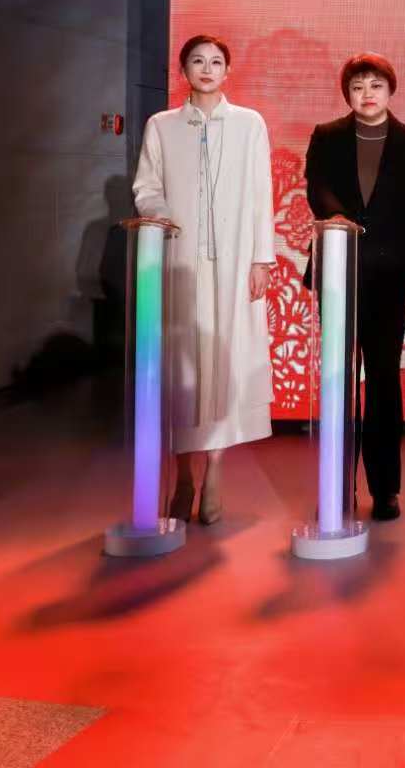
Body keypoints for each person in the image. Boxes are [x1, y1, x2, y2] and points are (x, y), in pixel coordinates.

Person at [132, 34, 277, 525]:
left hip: (234, 262)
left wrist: (261, 259)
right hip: (179, 260)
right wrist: (161, 217)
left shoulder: (249, 124)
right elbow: (146, 185)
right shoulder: (162, 125)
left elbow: (260, 193)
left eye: (216, 61)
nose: (207, 69)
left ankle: (215, 471)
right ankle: (183, 476)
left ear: (227, 71)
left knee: (226, 361)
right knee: (182, 368)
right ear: (183, 71)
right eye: (198, 61)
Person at [303, 53, 405, 522]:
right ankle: (337, 484)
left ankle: (385, 489)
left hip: (390, 277)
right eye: (357, 86)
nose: (367, 94)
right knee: (338, 379)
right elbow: (316, 187)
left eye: (376, 85)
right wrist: (338, 217)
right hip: (339, 269)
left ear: (390, 90)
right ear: (347, 93)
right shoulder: (327, 135)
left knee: (382, 381)